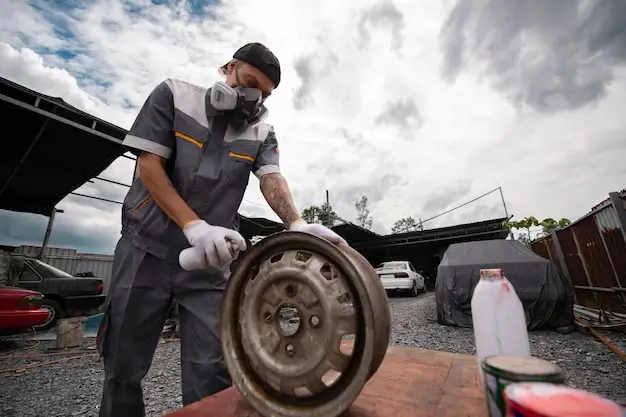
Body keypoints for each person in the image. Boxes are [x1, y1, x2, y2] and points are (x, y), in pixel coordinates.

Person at [97, 42, 346, 417]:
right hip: (144, 250)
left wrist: (296, 223)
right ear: (226, 69)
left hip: (209, 263)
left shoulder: (261, 131)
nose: (253, 97)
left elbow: (271, 178)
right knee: (122, 365)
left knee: (212, 368)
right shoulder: (174, 97)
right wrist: (193, 227)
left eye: (264, 93)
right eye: (248, 82)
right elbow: (149, 168)